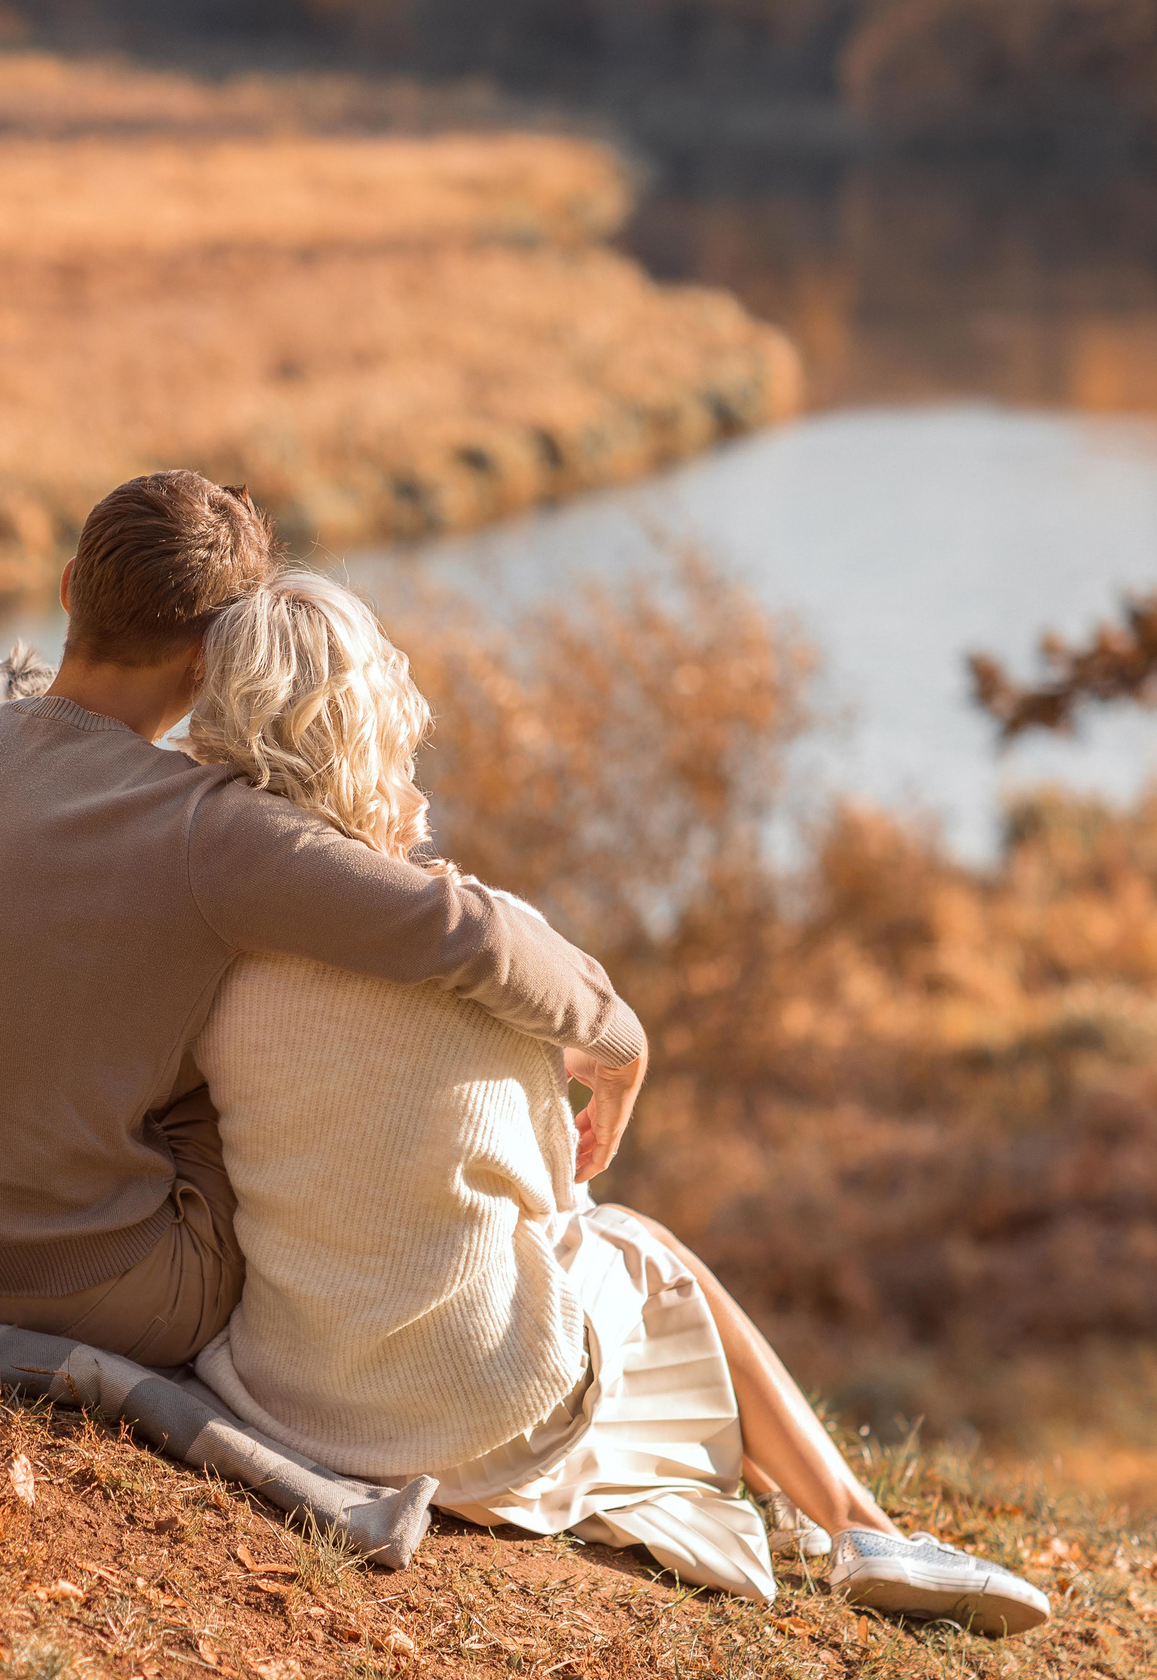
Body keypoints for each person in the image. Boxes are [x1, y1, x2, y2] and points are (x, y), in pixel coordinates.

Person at [180, 569, 1052, 1635]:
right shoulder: (493, 941)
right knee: (638, 1244)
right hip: (470, 1418)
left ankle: (816, 1511)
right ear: (380, 733)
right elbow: (556, 1192)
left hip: (292, 1399)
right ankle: (858, 1525)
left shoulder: (210, 956)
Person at [0, 472, 649, 1370]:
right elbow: (473, 934)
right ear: (217, 654)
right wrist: (617, 1037)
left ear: (72, 585)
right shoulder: (209, 826)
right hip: (123, 1295)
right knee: (245, 991)